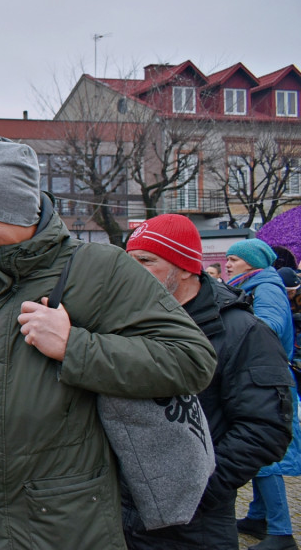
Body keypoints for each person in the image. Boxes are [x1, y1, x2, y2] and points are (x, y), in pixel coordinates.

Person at [0, 137, 217, 549]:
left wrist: (75, 347)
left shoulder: (101, 268)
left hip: (65, 519)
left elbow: (191, 359)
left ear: (23, 210)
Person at [123, 214, 293, 550]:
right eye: (128, 261)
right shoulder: (128, 321)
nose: (131, 272)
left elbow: (266, 428)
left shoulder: (243, 331)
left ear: (185, 267)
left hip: (194, 526)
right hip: (122, 517)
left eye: (145, 261)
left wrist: (194, 491)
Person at [227, 239, 301, 550]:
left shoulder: (265, 288)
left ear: (253, 262)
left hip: (266, 380)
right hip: (259, 376)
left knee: (265, 456)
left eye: (234, 259)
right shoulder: (256, 284)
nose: (228, 264)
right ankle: (259, 517)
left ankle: (282, 532)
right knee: (258, 454)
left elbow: (268, 327)